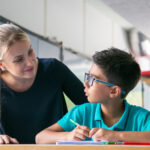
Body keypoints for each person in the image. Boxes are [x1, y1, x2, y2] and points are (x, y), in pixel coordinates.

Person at [36, 48, 150, 144]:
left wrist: (116, 136)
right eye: (88, 76)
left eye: (92, 79)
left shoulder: (141, 118)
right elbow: (40, 138)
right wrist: (68, 136)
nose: (85, 83)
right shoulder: (81, 112)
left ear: (114, 91)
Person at [0, 24, 88, 144]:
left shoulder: (54, 69)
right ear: (2, 65)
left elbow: (93, 106)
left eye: (30, 51)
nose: (30, 62)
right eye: (19, 59)